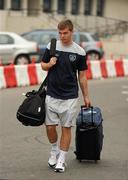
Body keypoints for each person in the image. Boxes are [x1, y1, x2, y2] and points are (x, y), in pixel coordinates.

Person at [41, 19, 91, 173]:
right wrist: (49, 64)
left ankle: (61, 160)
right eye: (60, 33)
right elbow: (43, 65)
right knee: (50, 128)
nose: (62, 36)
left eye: (65, 33)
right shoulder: (52, 46)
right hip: (52, 94)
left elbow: (82, 76)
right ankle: (54, 149)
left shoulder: (80, 52)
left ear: (71, 32)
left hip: (70, 96)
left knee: (66, 128)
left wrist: (86, 97)